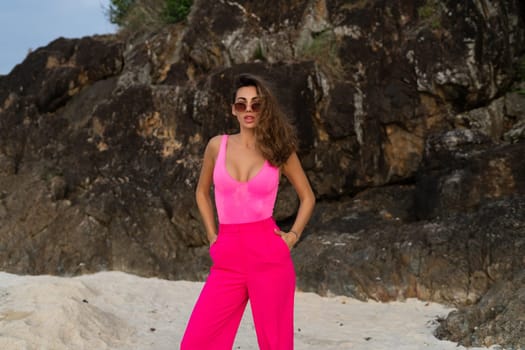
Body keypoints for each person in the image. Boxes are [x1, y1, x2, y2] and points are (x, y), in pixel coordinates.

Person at [180, 73, 316, 350]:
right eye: (242, 104)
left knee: (275, 344)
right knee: (196, 342)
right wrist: (211, 234)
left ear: (264, 108)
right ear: (233, 109)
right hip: (227, 257)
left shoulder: (279, 150)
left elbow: (308, 197)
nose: (249, 110)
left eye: (256, 104)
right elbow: (201, 192)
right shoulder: (217, 146)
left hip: (268, 254)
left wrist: (292, 236)